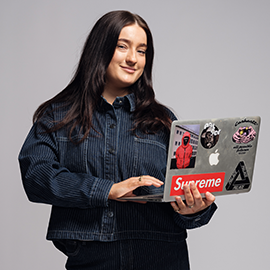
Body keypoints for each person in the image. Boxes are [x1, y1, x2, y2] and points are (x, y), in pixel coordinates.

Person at [18, 10, 217, 270]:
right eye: (122, 46)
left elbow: (185, 191)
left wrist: (193, 209)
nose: (133, 59)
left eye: (142, 51)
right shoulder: (59, 116)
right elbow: (36, 176)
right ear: (100, 49)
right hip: (92, 259)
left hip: (163, 256)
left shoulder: (164, 121)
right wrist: (107, 190)